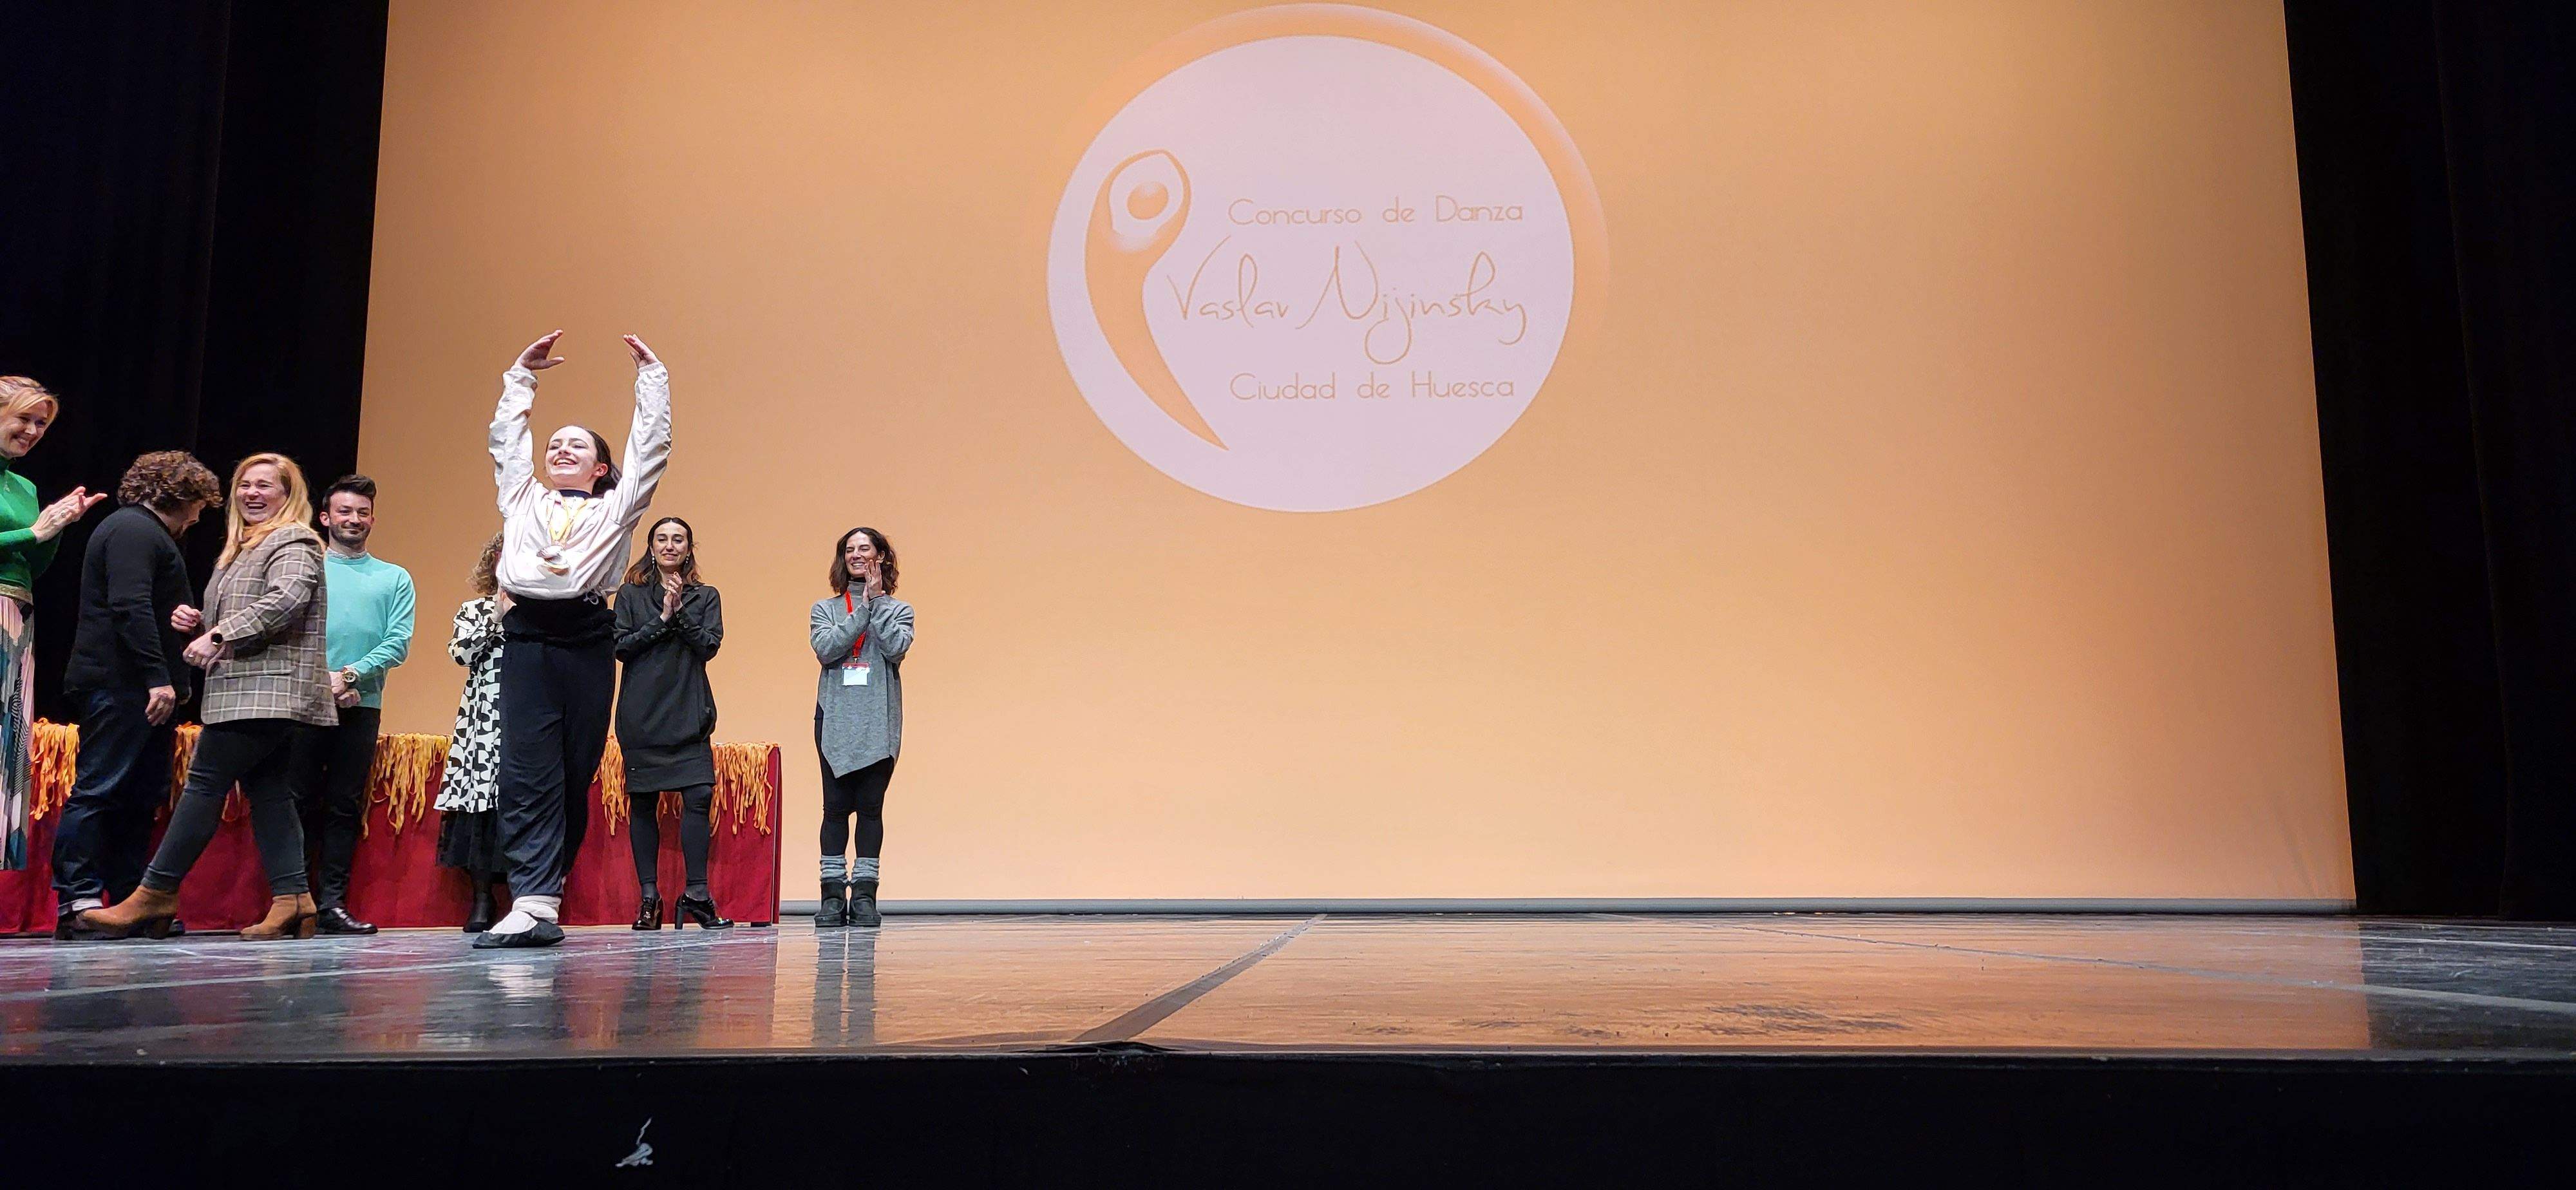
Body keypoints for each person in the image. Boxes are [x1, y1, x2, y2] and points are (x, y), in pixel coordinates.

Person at [82, 453, 334, 941]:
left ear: (288, 495)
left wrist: (218, 637)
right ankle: (294, 899)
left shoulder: (294, 539)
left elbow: (286, 599)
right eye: (245, 485)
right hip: (247, 686)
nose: (253, 494)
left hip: (265, 689)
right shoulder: (241, 548)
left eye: (265, 486)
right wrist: (197, 621)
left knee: (204, 784)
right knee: (270, 792)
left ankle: (155, 891)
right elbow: (251, 608)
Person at [477, 330, 670, 949]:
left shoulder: (615, 511)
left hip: (587, 639)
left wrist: (653, 380)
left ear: (601, 468)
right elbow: (506, 443)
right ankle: (529, 901)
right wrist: (521, 378)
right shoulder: (522, 498)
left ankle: (545, 897)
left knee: (571, 770)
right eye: (555, 443)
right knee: (525, 769)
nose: (560, 449)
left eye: (576, 445)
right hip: (529, 639)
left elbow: (651, 449)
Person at [52, 451, 223, 938]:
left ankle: (130, 900)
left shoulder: (146, 536)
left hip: (136, 687)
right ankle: (77, 901)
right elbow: (128, 606)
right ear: (181, 496)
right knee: (101, 789)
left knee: (137, 796)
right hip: (120, 685)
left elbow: (144, 605)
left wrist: (180, 619)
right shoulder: (132, 530)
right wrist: (157, 677)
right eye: (198, 506)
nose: (197, 517)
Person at [290, 474, 414, 935]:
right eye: (345, 512)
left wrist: (348, 675)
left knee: (344, 805)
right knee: (297, 801)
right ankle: (293, 903)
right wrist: (320, 681)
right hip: (303, 700)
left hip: (360, 702)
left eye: (362, 513)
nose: (354, 520)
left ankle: (332, 905)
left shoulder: (394, 577)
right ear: (325, 518)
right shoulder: (306, 567)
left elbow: (397, 643)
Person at [0, 376, 108, 871]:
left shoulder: (22, 485)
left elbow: (32, 566)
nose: (33, 431)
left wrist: (55, 531)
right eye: (24, 418)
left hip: (16, 618)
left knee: (7, 746)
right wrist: (33, 529)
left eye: (41, 424)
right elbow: (23, 538)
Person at [613, 516, 730, 930]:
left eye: (678, 539)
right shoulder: (630, 594)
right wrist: (661, 619)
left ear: (689, 548)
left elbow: (709, 646)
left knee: (699, 795)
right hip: (642, 716)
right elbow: (621, 647)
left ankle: (697, 894)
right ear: (651, 547)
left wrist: (679, 613)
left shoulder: (705, 595)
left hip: (688, 712)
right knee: (643, 803)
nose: (670, 546)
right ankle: (650, 899)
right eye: (662, 539)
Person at [809, 527, 912, 929]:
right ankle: (833, 897)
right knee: (834, 810)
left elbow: (894, 647)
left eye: (864, 549)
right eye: (849, 550)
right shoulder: (825, 609)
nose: (855, 555)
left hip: (878, 722)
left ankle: (865, 896)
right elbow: (827, 649)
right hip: (834, 719)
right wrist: (862, 608)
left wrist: (879, 602)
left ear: (881, 557)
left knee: (871, 810)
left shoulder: (900, 609)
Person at [436, 533, 510, 932]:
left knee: (523, 808)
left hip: (528, 719)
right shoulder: (474, 609)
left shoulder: (544, 612)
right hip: (484, 723)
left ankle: (526, 900)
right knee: (482, 812)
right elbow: (462, 654)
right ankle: (482, 901)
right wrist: (496, 618)